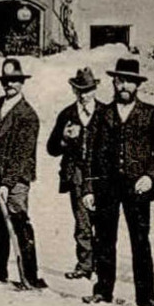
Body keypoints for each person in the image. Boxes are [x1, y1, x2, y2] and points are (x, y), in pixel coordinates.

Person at [83, 58, 154, 306]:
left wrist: (151, 177)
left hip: (138, 187)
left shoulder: (150, 113)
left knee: (140, 240)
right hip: (107, 186)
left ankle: (146, 297)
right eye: (120, 80)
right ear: (114, 82)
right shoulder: (103, 113)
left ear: (137, 85)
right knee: (105, 239)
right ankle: (102, 291)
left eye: (129, 81)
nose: (124, 86)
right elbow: (91, 154)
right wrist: (89, 187)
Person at [0, 58, 45, 289]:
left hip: (15, 180)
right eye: (6, 81)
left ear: (22, 83)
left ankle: (30, 275)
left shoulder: (28, 115)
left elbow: (22, 155)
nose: (10, 85)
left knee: (19, 222)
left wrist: (7, 184)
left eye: (15, 81)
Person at [47, 67, 101, 280]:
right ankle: (85, 264)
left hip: (101, 174)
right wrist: (64, 139)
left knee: (103, 220)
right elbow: (51, 148)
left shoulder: (106, 112)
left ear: (95, 89)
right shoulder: (67, 114)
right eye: (79, 90)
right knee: (82, 221)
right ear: (73, 91)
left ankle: (101, 264)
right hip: (76, 173)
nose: (84, 95)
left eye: (88, 90)